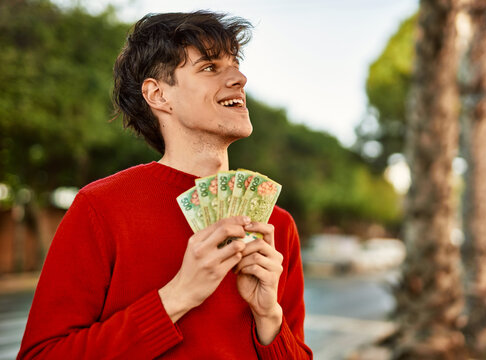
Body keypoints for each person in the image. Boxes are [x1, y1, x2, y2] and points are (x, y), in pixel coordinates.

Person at [17, 11, 313, 359]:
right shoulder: (100, 208)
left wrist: (268, 319)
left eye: (235, 64)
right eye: (209, 67)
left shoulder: (277, 226)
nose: (240, 78)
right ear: (158, 95)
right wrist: (177, 297)